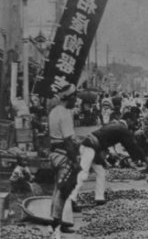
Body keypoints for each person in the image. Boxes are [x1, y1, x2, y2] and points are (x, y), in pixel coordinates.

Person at [69, 112, 148, 209]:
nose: (133, 125)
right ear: (128, 120)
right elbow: (133, 146)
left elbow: (104, 139)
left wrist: (104, 157)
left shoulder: (114, 123)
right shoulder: (122, 129)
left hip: (93, 147)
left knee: (101, 171)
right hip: (89, 147)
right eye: (133, 122)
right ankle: (71, 199)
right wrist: (147, 160)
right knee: (83, 173)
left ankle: (99, 198)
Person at [48, 84, 78, 234]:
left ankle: (55, 219)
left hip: (54, 154)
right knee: (63, 189)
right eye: (75, 97)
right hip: (63, 155)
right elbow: (68, 141)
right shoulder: (65, 114)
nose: (76, 100)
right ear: (70, 97)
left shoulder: (53, 112)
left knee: (57, 187)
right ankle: (57, 223)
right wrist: (74, 160)